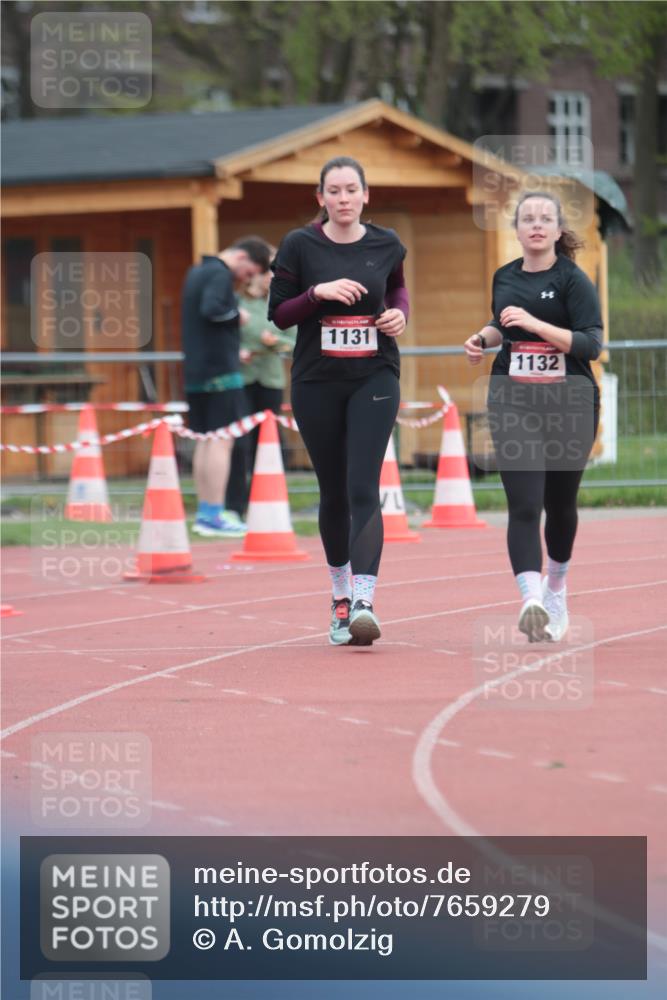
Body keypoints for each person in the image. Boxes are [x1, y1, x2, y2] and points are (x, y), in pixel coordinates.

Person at [269, 156, 409, 647]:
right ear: (321, 198)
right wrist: (316, 293)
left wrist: (399, 316)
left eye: (352, 189)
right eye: (335, 190)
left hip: (375, 373)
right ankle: (340, 596)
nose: (344, 198)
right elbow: (279, 315)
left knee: (362, 485)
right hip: (316, 379)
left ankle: (366, 601)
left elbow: (395, 288)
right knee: (332, 490)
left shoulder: (386, 242)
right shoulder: (300, 244)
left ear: (366, 195)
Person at [464, 191, 603, 642]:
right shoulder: (504, 276)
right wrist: (481, 340)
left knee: (560, 506)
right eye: (528, 218)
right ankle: (531, 601)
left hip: (570, 402)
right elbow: (502, 325)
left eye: (545, 219)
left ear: (559, 230)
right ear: (518, 229)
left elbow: (591, 346)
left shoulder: (573, 281)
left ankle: (556, 586)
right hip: (513, 398)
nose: (536, 225)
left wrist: (538, 325)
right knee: (524, 505)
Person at [181, 236, 272, 538]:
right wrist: (238, 316)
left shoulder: (197, 271)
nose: (245, 280)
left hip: (196, 371)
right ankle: (215, 513)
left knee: (206, 440)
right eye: (249, 273)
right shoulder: (219, 274)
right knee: (222, 441)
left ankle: (206, 512)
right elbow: (214, 310)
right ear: (242, 257)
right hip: (221, 371)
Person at [225, 261, 297, 518]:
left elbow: (295, 342)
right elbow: (222, 335)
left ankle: (267, 502)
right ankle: (235, 504)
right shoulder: (234, 301)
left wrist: (276, 342)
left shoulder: (280, 304)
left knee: (267, 442)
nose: (271, 278)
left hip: (270, 380)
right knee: (239, 443)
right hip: (241, 380)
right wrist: (235, 352)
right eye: (267, 273)